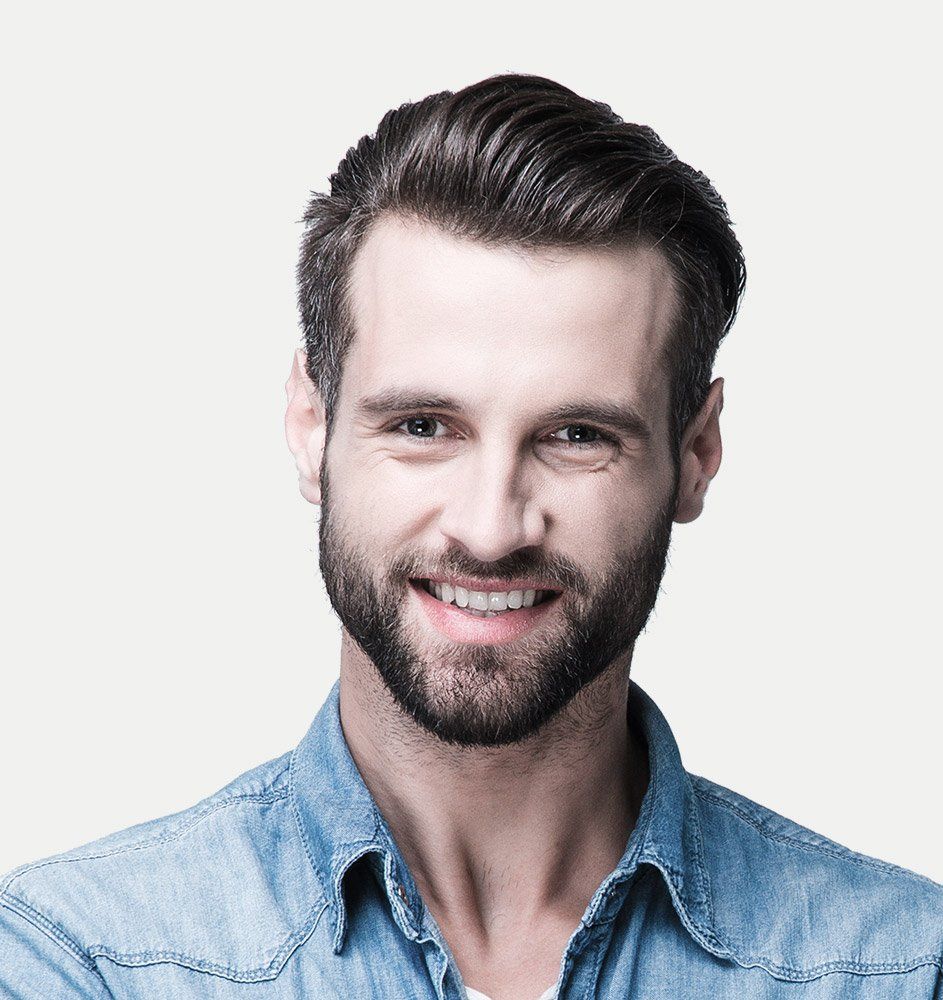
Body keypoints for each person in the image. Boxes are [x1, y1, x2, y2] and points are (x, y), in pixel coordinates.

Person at [1, 73, 940, 1000]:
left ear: (695, 454)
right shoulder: (83, 961)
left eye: (577, 436)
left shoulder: (900, 968)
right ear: (311, 426)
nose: (490, 530)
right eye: (422, 427)